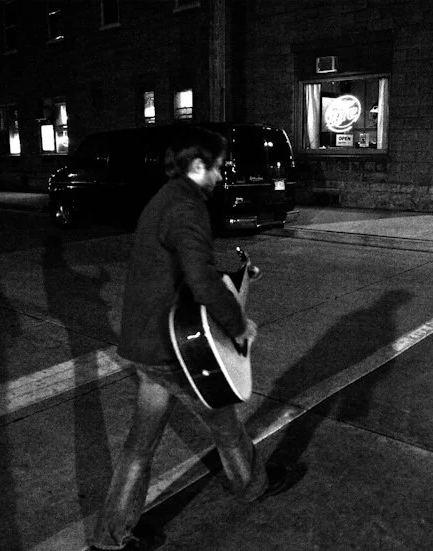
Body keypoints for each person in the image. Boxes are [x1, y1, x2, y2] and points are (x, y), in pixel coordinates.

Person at [89, 127, 303, 551]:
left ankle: (109, 537)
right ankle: (253, 486)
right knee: (225, 426)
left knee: (139, 446)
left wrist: (233, 279)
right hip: (173, 352)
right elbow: (201, 282)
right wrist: (239, 324)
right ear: (198, 165)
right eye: (219, 167)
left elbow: (185, 269)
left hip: (146, 345)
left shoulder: (163, 199)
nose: (222, 176)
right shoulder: (187, 208)